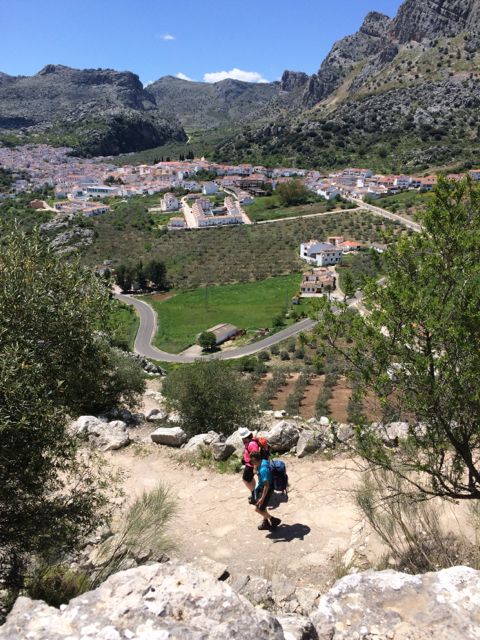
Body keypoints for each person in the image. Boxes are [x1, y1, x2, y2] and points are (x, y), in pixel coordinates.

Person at [250, 450, 281, 531]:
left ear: (256, 460)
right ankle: (266, 523)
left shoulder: (263, 469)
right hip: (262, 487)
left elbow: (266, 486)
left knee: (258, 509)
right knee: (262, 507)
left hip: (267, 489)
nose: (251, 462)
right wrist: (255, 469)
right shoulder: (263, 461)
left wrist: (262, 498)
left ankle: (273, 520)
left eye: (252, 461)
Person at [239, 427, 259, 503]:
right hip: (249, 464)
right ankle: (254, 491)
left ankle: (254, 495)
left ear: (245, 437)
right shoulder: (250, 441)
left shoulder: (252, 444)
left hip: (251, 466)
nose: (242, 440)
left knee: (245, 480)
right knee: (249, 479)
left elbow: (255, 457)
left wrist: (255, 468)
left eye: (243, 438)